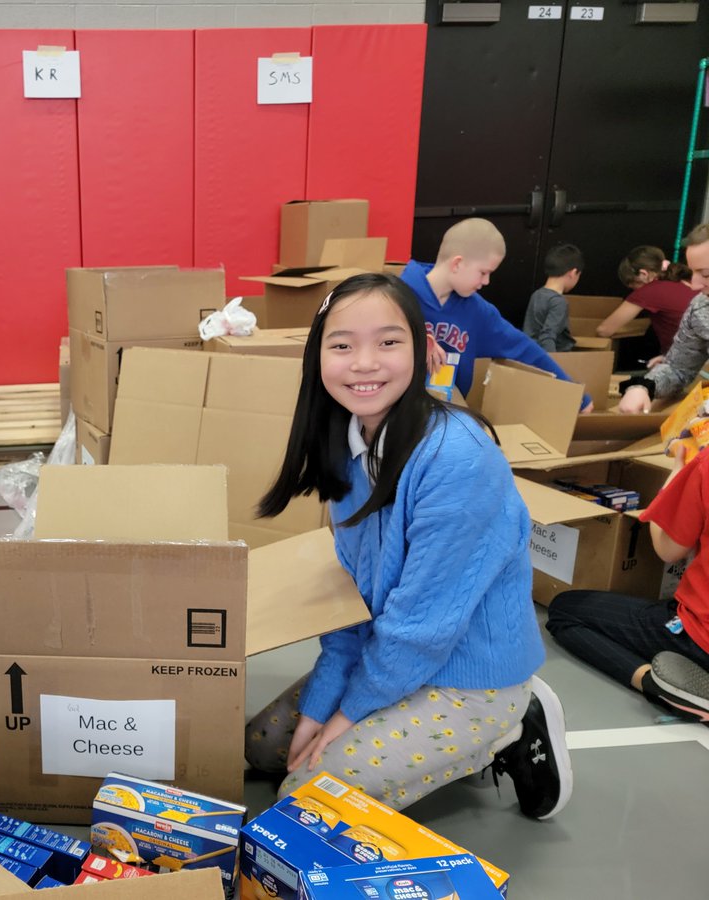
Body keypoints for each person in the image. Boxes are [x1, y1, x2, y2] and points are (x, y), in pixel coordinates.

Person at [244, 272, 573, 820]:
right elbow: (352, 603)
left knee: (304, 803)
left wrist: (345, 717)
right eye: (342, 345)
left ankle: (510, 726)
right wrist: (321, 706)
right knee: (262, 748)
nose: (364, 362)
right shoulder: (348, 446)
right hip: (394, 653)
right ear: (317, 358)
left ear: (425, 350)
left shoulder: (455, 460)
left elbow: (423, 629)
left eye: (388, 342)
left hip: (468, 679)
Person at [546, 443, 709, 723]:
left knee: (565, 610)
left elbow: (668, 550)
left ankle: (659, 684)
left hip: (699, 635)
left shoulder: (704, 463)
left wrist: (678, 474)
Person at [400, 218, 593, 411]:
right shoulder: (397, 295)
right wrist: (417, 343)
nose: (487, 281)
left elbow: (525, 350)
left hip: (446, 413)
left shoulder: (478, 312)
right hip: (396, 411)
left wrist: (576, 396)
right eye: (483, 272)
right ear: (457, 263)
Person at [620, 225, 709, 414]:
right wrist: (643, 387)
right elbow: (678, 368)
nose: (694, 285)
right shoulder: (700, 307)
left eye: (706, 274)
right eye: (693, 272)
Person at [598, 245, 697, 359]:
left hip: (686, 361)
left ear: (644, 274)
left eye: (633, 284)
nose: (634, 290)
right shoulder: (689, 281)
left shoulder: (650, 290)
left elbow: (604, 330)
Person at [523, 244, 584, 352]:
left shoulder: (537, 294)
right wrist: (552, 366)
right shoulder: (559, 302)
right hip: (554, 356)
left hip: (531, 352)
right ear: (573, 273)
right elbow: (547, 337)